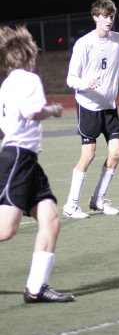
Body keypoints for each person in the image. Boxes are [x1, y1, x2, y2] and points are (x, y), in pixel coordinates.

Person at [0, 25, 74, 303]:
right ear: (28, 55)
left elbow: (3, 127)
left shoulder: (7, 84)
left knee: (50, 220)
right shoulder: (29, 80)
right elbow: (32, 112)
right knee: (6, 230)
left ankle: (36, 288)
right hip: (19, 158)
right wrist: (53, 110)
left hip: (24, 158)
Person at [63, 0, 119, 219]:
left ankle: (97, 200)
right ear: (95, 17)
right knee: (89, 154)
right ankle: (71, 205)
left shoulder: (118, 39)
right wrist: (87, 83)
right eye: (104, 16)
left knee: (117, 151)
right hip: (88, 106)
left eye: (112, 16)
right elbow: (71, 79)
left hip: (109, 107)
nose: (109, 20)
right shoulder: (84, 44)